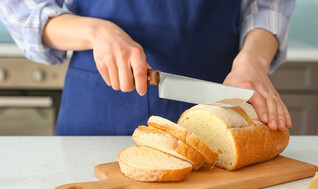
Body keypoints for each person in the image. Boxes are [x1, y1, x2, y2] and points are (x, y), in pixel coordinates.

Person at [0, 0, 295, 135]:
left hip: (219, 100)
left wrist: (253, 61)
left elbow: (268, 7)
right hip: (99, 109)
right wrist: (96, 31)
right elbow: (23, 12)